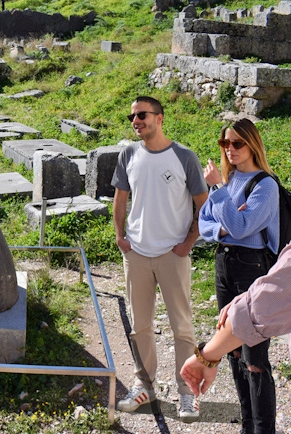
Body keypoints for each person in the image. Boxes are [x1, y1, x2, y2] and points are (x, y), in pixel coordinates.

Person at [111, 96, 208, 420]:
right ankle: (144, 386)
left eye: (141, 115)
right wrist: (120, 237)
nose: (135, 120)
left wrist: (189, 241)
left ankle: (186, 393)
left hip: (172, 254)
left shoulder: (184, 157)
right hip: (136, 254)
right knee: (140, 326)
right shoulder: (128, 154)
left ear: (159, 118)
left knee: (182, 327)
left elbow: (202, 203)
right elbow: (120, 199)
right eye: (132, 116)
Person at [198, 118, 278, 434]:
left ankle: (263, 430)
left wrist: (218, 191)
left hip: (252, 267)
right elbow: (205, 224)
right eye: (225, 144)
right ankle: (247, 425)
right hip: (225, 263)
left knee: (254, 356)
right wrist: (224, 221)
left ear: (251, 144)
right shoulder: (230, 182)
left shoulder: (265, 185)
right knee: (231, 349)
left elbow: (242, 228)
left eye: (236, 143)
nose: (230, 149)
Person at [181, 241, 291, 401]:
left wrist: (206, 356)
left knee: (255, 362)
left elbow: (255, 310)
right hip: (228, 259)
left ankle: (262, 426)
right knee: (237, 358)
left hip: (251, 259)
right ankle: (247, 424)